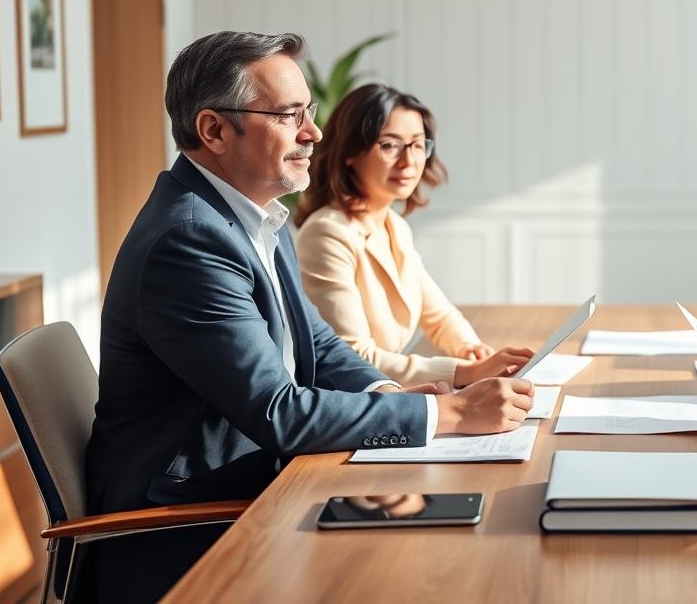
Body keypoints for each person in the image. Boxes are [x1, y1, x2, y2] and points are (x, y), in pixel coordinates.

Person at [85, 32, 534, 602]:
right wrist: (447, 414)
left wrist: (390, 389)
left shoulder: (256, 217)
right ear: (214, 130)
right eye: (288, 114)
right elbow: (278, 412)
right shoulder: (189, 240)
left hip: (259, 486)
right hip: (192, 522)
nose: (313, 132)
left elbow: (315, 347)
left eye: (310, 112)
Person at [294, 84, 532, 387]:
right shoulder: (327, 232)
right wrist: (465, 373)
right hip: (351, 403)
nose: (408, 161)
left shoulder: (394, 225)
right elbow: (351, 356)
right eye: (390, 145)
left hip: (385, 393)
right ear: (350, 152)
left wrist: (474, 351)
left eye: (417, 145)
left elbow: (439, 315)